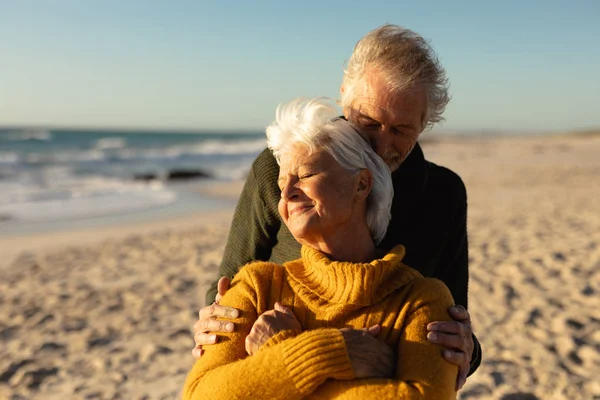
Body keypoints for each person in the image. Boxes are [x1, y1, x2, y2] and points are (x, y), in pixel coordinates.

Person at [194, 24, 481, 389]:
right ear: (344, 94)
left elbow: (452, 323)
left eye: (401, 129)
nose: (380, 145)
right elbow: (226, 293)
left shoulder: (443, 194)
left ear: (427, 122)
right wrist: (217, 325)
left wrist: (468, 350)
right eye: (369, 122)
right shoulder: (280, 168)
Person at [183, 98, 457, 399]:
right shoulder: (256, 287)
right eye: (282, 180)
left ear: (361, 185)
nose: (286, 193)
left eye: (306, 174)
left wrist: (276, 354)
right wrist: (327, 354)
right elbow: (200, 394)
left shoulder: (420, 300)